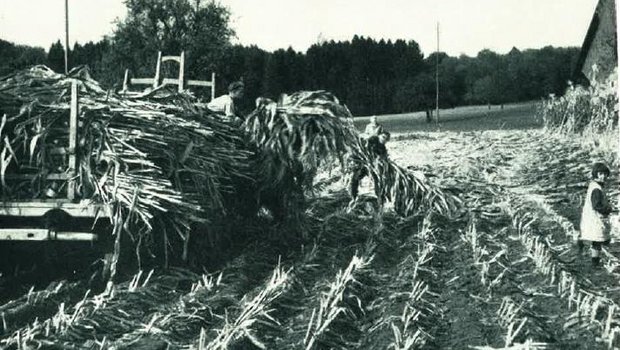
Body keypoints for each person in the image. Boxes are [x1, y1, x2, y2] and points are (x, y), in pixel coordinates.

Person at [578, 162, 615, 267]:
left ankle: (581, 243)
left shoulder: (595, 185)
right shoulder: (597, 189)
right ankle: (595, 263)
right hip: (595, 218)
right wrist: (608, 209)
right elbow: (597, 206)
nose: (603, 176)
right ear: (596, 174)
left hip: (592, 216)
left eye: (605, 174)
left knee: (599, 239)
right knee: (597, 240)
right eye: (600, 174)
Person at [348, 130, 391, 208]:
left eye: (386, 139)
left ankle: (380, 198)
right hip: (362, 163)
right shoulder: (372, 140)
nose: (384, 140)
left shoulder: (383, 148)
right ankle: (353, 197)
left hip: (372, 166)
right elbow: (364, 147)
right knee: (355, 179)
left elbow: (383, 157)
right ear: (379, 136)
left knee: (378, 180)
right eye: (383, 137)